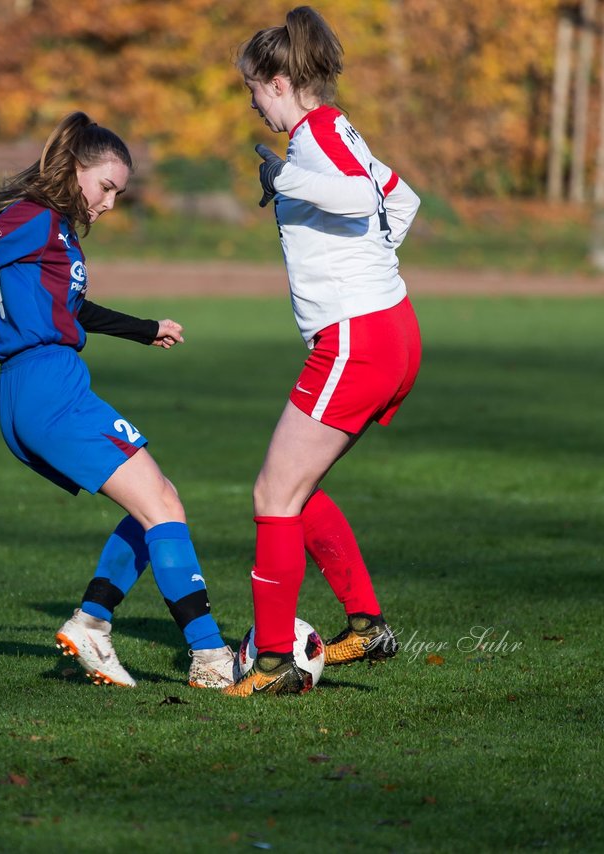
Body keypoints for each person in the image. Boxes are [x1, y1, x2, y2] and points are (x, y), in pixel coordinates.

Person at [0, 111, 236, 690]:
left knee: (155, 505)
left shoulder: (56, 233)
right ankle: (211, 657)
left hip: (35, 388)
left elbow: (73, 311)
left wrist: (146, 329)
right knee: (162, 507)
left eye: (119, 192)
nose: (110, 203)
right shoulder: (35, 219)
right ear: (74, 169)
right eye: (106, 187)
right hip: (48, 387)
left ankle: (93, 622)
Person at [223, 7, 423, 697]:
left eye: (252, 86)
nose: (250, 100)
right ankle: (366, 627)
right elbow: (402, 200)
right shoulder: (338, 130)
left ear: (278, 82)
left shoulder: (315, 138)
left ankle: (274, 660)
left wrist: (285, 180)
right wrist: (368, 265)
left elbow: (355, 192)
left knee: (272, 494)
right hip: (388, 332)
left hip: (357, 340)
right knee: (298, 488)